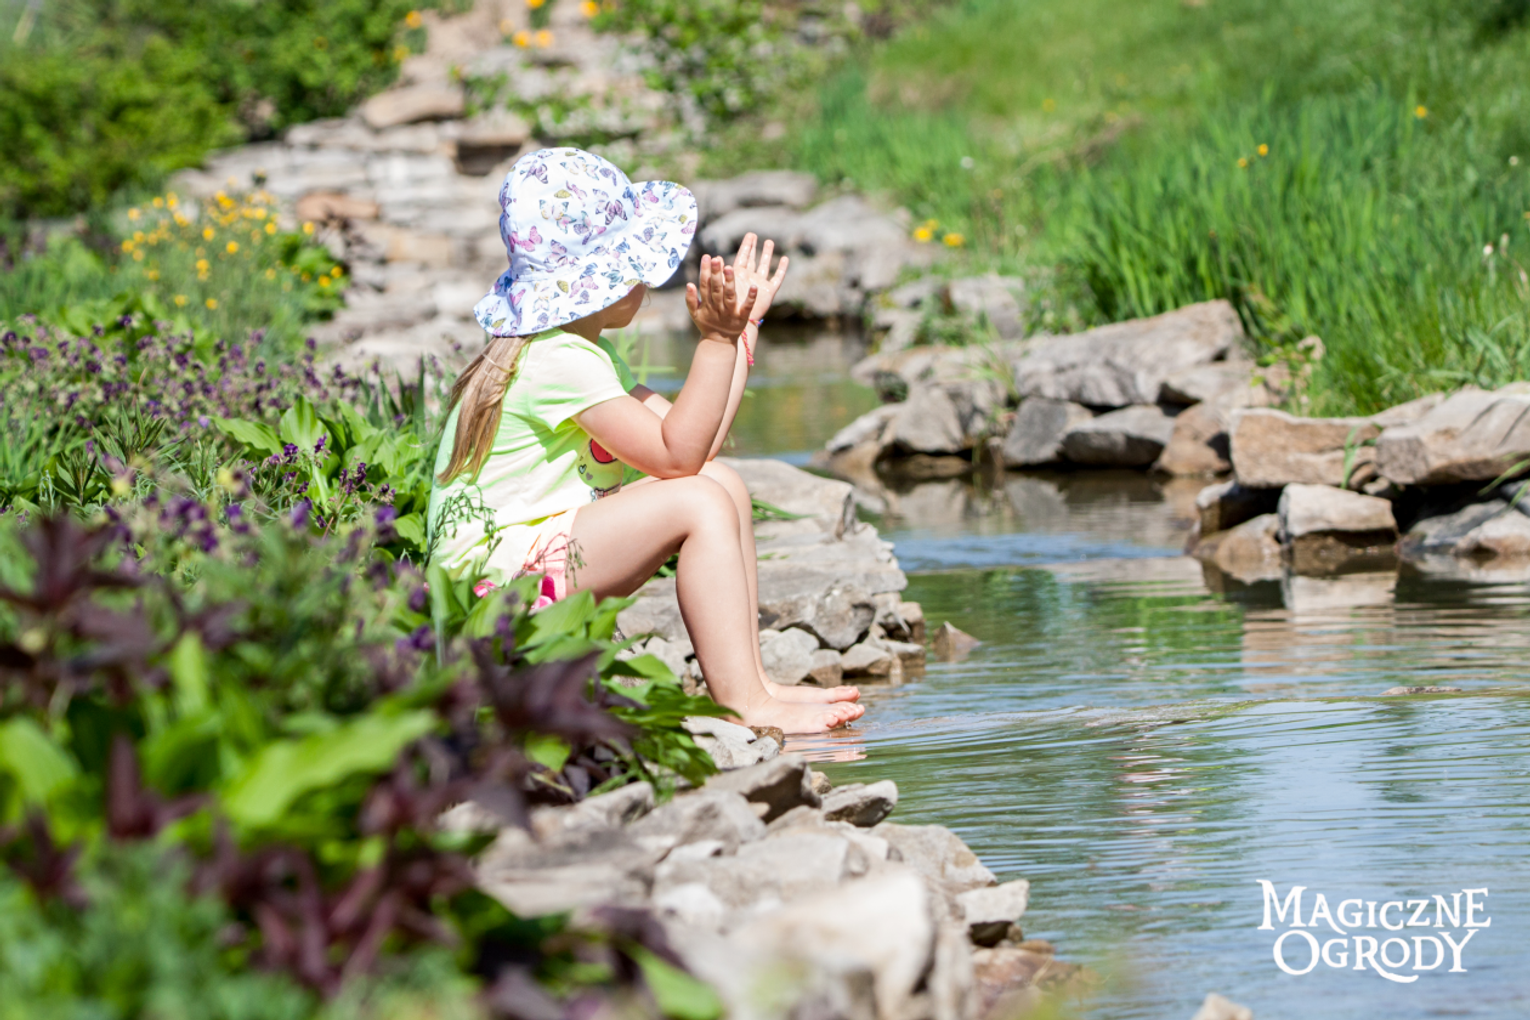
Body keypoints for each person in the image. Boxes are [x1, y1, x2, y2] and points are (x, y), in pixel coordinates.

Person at [427, 147, 864, 733]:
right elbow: (677, 458)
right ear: (596, 282)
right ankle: (744, 705)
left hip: (522, 559)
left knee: (720, 483)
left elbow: (696, 447)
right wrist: (714, 341)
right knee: (699, 499)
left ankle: (754, 684)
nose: (645, 283)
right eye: (633, 266)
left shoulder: (579, 352)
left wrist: (740, 332)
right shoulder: (558, 361)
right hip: (489, 593)